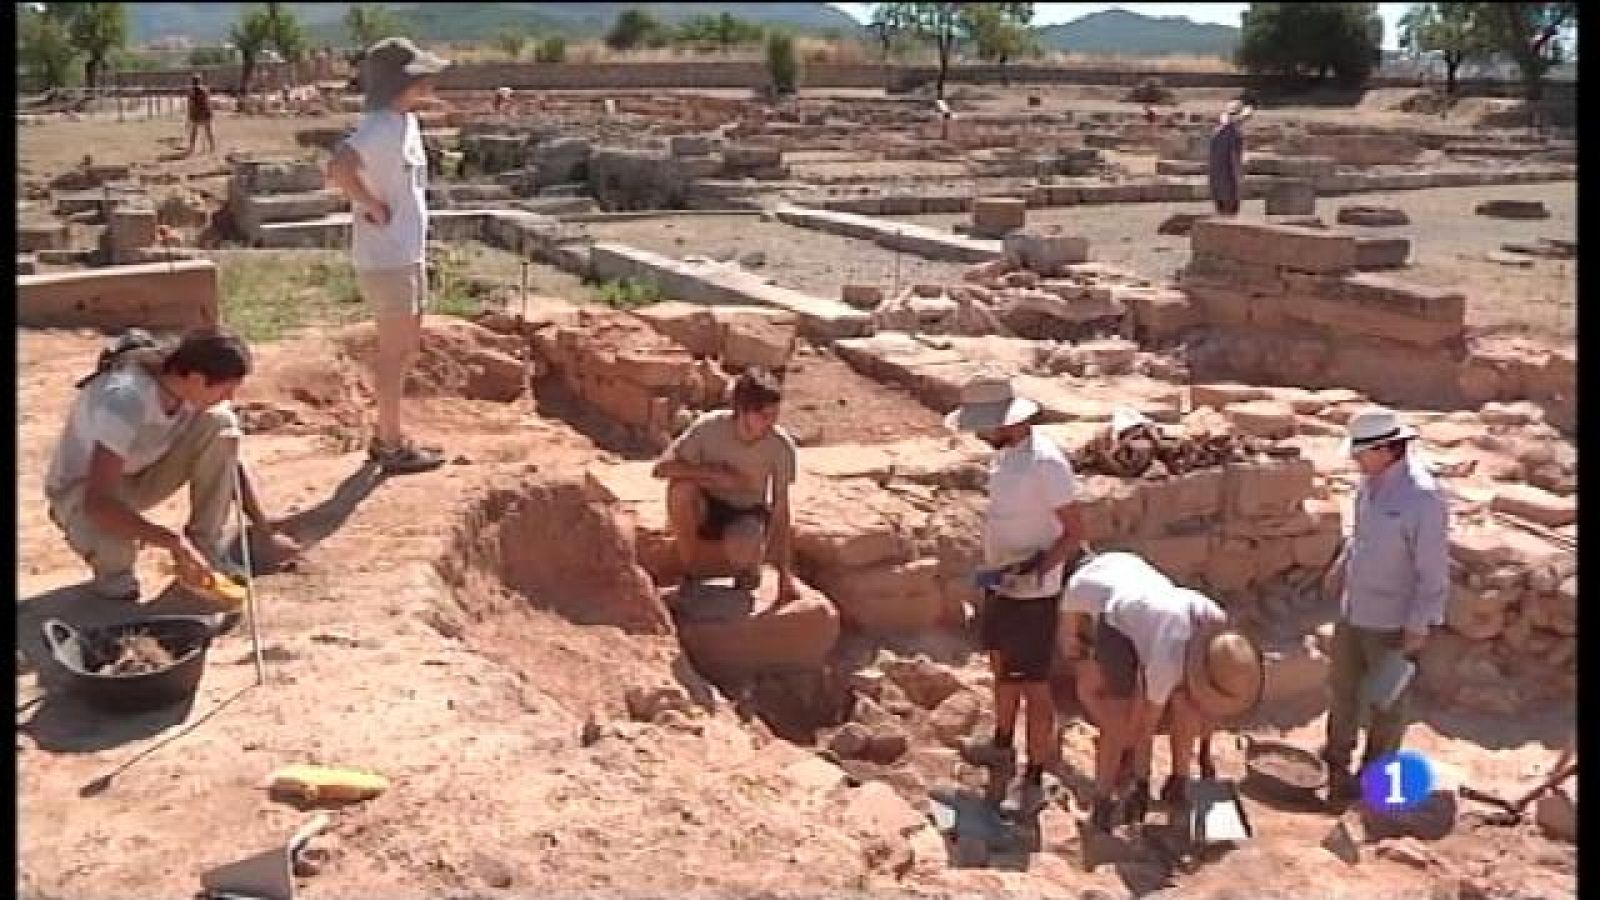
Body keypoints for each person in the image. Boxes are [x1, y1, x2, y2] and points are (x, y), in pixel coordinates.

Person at [44, 329, 300, 602]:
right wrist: (172, 542)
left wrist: (265, 533)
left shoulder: (191, 392)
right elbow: (98, 502)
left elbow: (229, 462)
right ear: (197, 379)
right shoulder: (124, 400)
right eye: (226, 389)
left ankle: (206, 552)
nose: (230, 398)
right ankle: (113, 574)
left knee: (222, 424)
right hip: (84, 492)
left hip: (139, 476)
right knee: (118, 570)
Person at [948, 376, 1088, 810]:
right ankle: (1002, 745)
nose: (978, 434)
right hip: (1001, 582)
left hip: (1034, 596)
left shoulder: (1046, 464)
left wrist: (1037, 571)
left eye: (983, 426)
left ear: (1005, 423)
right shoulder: (1005, 457)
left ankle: (1033, 776)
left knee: (1034, 687)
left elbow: (1076, 532)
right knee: (1002, 668)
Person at [1061, 550, 1264, 830]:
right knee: (1121, 722)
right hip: (1120, 625)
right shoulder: (1165, 662)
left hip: (1157, 614)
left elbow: (1205, 708)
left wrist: (1205, 760)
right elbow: (1146, 729)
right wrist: (1142, 783)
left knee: (1187, 705)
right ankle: (1103, 801)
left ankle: (1178, 784)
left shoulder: (1219, 631)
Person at [326, 36, 452, 474]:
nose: (429, 85)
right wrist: (368, 203)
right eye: (420, 78)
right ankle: (389, 442)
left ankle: (390, 434)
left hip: (405, 252)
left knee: (404, 347)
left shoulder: (404, 122)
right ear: (403, 82)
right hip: (387, 258)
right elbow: (338, 166)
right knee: (394, 352)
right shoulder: (379, 126)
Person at [1320, 406, 1450, 803]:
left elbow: (1433, 571)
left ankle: (1374, 780)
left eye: (1361, 454)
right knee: (1342, 689)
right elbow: (1360, 538)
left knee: (1387, 703)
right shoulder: (1369, 485)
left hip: (1393, 623)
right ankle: (1335, 765)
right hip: (1354, 610)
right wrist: (1339, 568)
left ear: (1384, 449)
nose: (1356, 461)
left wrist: (1419, 625)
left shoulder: (1422, 498)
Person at [652, 369, 800, 605]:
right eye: (764, 416)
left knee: (745, 541)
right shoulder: (710, 428)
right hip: (707, 504)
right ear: (742, 411)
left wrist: (785, 575)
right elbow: (661, 469)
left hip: (746, 511)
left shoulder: (780, 446)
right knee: (680, 490)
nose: (771, 423)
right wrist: (713, 473)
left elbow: (781, 509)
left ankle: (748, 569)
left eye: (775, 415)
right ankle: (692, 569)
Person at [1207, 99, 1253, 217]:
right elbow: (1234, 160)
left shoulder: (1216, 133)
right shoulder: (1236, 134)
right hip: (1229, 182)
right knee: (1230, 216)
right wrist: (1240, 182)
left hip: (1215, 181)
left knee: (1221, 216)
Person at [186, 73, 216, 156]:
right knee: (208, 131)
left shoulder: (192, 91)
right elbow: (208, 102)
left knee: (195, 132)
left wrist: (189, 115)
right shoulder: (205, 90)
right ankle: (212, 147)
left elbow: (191, 104)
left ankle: (192, 148)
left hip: (199, 113)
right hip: (205, 113)